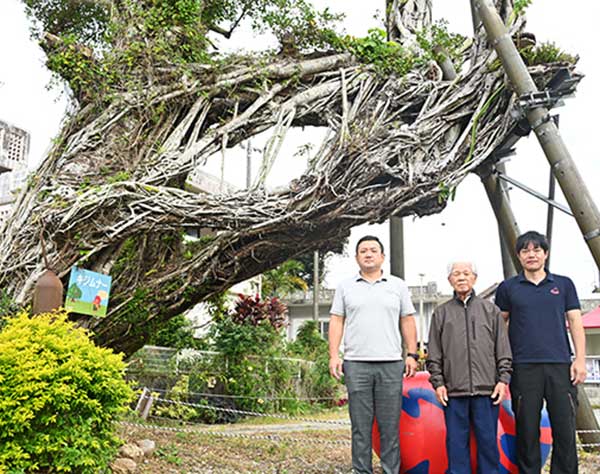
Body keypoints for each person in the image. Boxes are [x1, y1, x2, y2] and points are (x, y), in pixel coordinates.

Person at [495, 231, 586, 474]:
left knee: (565, 430)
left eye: (536, 250)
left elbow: (575, 322)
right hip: (523, 367)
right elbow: (499, 326)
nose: (531, 255)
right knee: (526, 430)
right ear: (519, 256)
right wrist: (502, 364)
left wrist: (579, 359)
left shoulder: (563, 284)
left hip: (560, 366)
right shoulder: (508, 288)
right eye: (526, 250)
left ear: (545, 254)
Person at [328, 235, 418, 474]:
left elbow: (407, 320)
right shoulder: (345, 286)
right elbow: (337, 321)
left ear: (382, 257)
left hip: (390, 364)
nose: (368, 254)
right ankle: (361, 471)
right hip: (356, 364)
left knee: (390, 427)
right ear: (357, 257)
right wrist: (334, 355)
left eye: (373, 250)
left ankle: (390, 470)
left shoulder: (397, 285)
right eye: (363, 251)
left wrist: (412, 354)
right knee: (360, 427)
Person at [427, 261, 512, 474]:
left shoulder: (491, 310)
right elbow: (434, 354)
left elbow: (503, 348)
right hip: (454, 392)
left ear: (474, 278)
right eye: (456, 274)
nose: (461, 277)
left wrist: (503, 380)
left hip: (487, 391)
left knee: (487, 444)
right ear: (450, 280)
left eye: (466, 273)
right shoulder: (441, 313)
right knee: (456, 445)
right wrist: (438, 383)